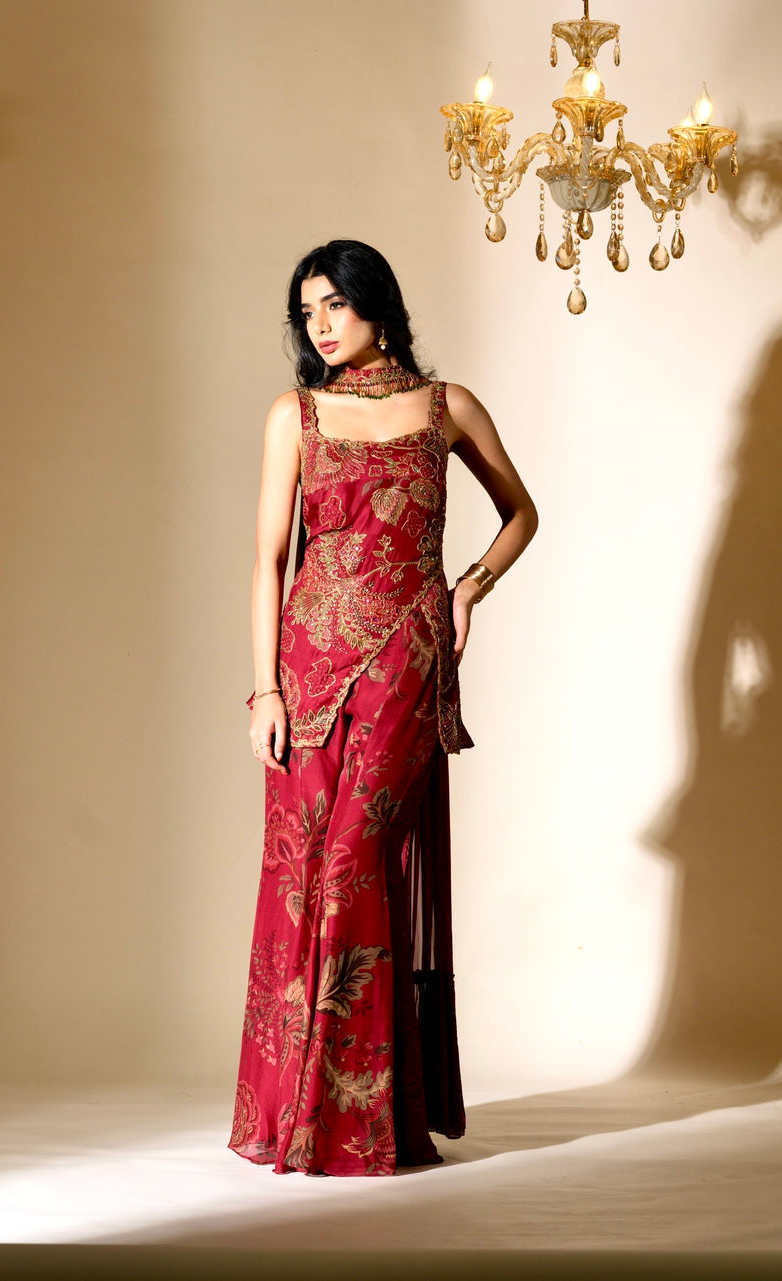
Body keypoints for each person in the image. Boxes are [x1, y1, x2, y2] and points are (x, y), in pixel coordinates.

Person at [229, 239, 537, 1176]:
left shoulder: (449, 409)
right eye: (306, 311)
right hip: (307, 674)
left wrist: (469, 587)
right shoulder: (296, 414)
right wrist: (265, 688)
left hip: (406, 663)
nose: (319, 325)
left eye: (334, 306)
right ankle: (299, 1112)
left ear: (379, 307)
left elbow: (521, 511)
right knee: (302, 876)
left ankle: (358, 1120)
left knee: (358, 862)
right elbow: (268, 559)